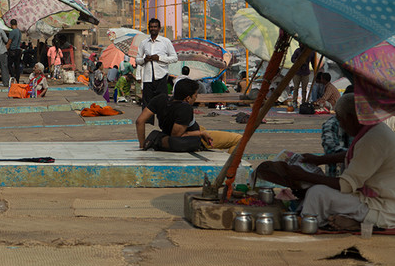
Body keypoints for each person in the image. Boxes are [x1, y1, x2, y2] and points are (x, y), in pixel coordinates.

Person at [266, 94, 395, 232]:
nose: (342, 126)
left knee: (318, 193)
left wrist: (304, 176)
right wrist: (318, 160)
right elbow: (356, 155)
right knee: (316, 190)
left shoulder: (373, 139)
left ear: (351, 118)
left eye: (341, 120)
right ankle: (346, 221)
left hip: (382, 206)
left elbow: (345, 184)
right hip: (373, 199)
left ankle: (309, 225)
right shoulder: (373, 130)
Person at [136, 79, 241, 153]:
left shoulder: (161, 99)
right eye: (195, 96)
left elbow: (139, 121)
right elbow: (176, 136)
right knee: (239, 139)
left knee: (221, 144)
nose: (196, 98)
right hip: (200, 138)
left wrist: (142, 146)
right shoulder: (184, 108)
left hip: (192, 131)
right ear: (187, 98)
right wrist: (200, 133)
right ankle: (228, 168)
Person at [138, 18, 178, 110]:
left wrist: (159, 58)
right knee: (147, 104)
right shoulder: (144, 43)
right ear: (149, 28)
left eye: (155, 27)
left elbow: (174, 58)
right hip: (147, 78)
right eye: (151, 27)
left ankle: (162, 122)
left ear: (159, 28)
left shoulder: (166, 42)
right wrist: (145, 60)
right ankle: (147, 123)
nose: (153, 29)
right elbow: (137, 60)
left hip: (161, 77)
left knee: (162, 103)